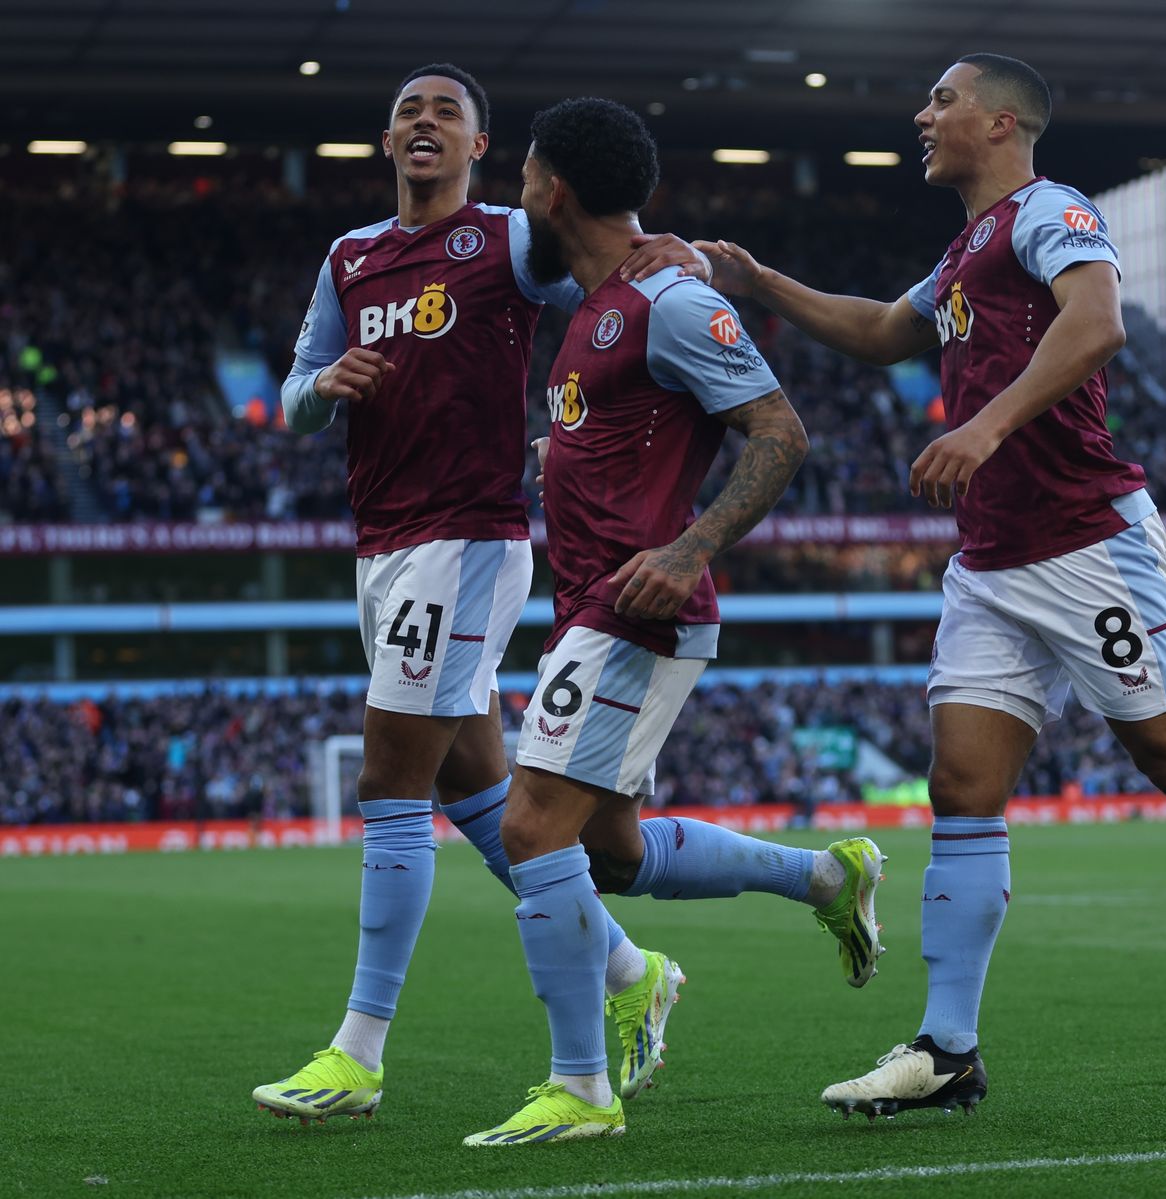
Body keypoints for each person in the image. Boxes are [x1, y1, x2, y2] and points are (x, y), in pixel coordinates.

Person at [700, 53, 1166, 1114]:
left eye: (942, 100)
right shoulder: (967, 247)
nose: (922, 115)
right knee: (961, 785)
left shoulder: (1049, 209)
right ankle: (949, 1047)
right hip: (992, 560)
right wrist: (762, 283)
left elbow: (1098, 321)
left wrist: (983, 421)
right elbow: (884, 330)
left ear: (1003, 121)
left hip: (1084, 542)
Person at [254, 64, 707, 1124]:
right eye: (408, 109)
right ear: (386, 139)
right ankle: (632, 969)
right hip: (382, 546)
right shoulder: (349, 258)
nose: (424, 122)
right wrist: (322, 390)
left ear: (478, 148)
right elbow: (287, 398)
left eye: (445, 112)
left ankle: (358, 1052)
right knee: (489, 807)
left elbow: (606, 281)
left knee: (388, 776)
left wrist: (661, 259)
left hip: (466, 540)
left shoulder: (503, 240)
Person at [463, 97, 884, 1147]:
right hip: (590, 606)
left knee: (527, 828)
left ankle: (581, 1086)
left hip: (639, 607)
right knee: (606, 852)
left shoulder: (669, 299)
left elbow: (780, 433)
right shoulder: (602, 300)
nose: (515, 187)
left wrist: (691, 545)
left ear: (552, 186)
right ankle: (830, 875)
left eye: (521, 170)